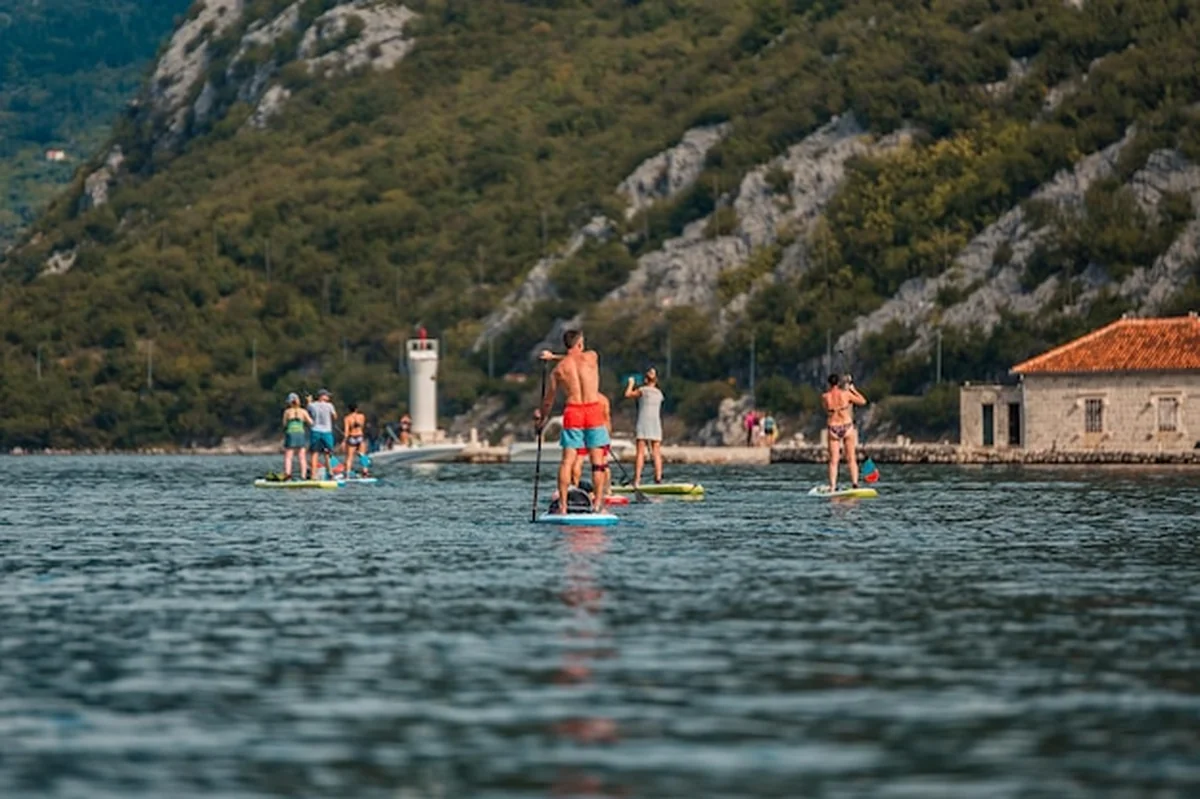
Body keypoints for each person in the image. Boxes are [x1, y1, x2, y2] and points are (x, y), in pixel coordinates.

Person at [535, 329, 611, 513]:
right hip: (592, 409)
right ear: (580, 344)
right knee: (597, 461)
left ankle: (562, 506)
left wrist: (541, 419)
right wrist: (554, 356)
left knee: (567, 461)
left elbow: (548, 400)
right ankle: (598, 505)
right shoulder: (591, 357)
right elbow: (578, 356)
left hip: (573, 411)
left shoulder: (559, 370)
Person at [821, 373, 867, 491]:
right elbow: (862, 401)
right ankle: (855, 484)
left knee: (833, 461)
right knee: (851, 458)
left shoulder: (825, 396)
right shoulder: (846, 394)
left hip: (833, 428)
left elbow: (826, 409)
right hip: (847, 426)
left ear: (829, 384)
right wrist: (853, 390)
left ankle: (832, 486)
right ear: (838, 383)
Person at [625, 367, 664, 487]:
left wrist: (631, 383)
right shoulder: (659, 393)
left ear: (646, 380)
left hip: (643, 421)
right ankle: (658, 478)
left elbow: (627, 394)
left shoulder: (642, 390)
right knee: (656, 452)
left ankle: (637, 480)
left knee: (640, 452)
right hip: (656, 422)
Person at [281, 393, 313, 480]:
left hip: (290, 433)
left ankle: (288, 474)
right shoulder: (303, 411)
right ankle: (303, 475)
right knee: (302, 456)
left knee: (288, 456)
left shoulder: (287, 412)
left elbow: (284, 424)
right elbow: (311, 422)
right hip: (300, 433)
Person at [308, 388, 338, 480]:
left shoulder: (311, 405)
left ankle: (313, 475)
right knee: (328, 453)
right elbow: (335, 416)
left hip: (315, 431)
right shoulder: (330, 405)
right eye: (327, 395)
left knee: (315, 453)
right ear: (322, 396)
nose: (328, 397)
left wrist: (309, 401)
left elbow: (309, 413)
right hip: (326, 432)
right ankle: (330, 473)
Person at [343, 403, 367, 477]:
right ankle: (365, 470)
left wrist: (344, 441)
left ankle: (347, 473)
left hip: (352, 437)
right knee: (362, 455)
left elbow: (346, 431)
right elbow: (362, 425)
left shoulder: (347, 418)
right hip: (360, 436)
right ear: (356, 409)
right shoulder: (362, 416)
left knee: (349, 457)